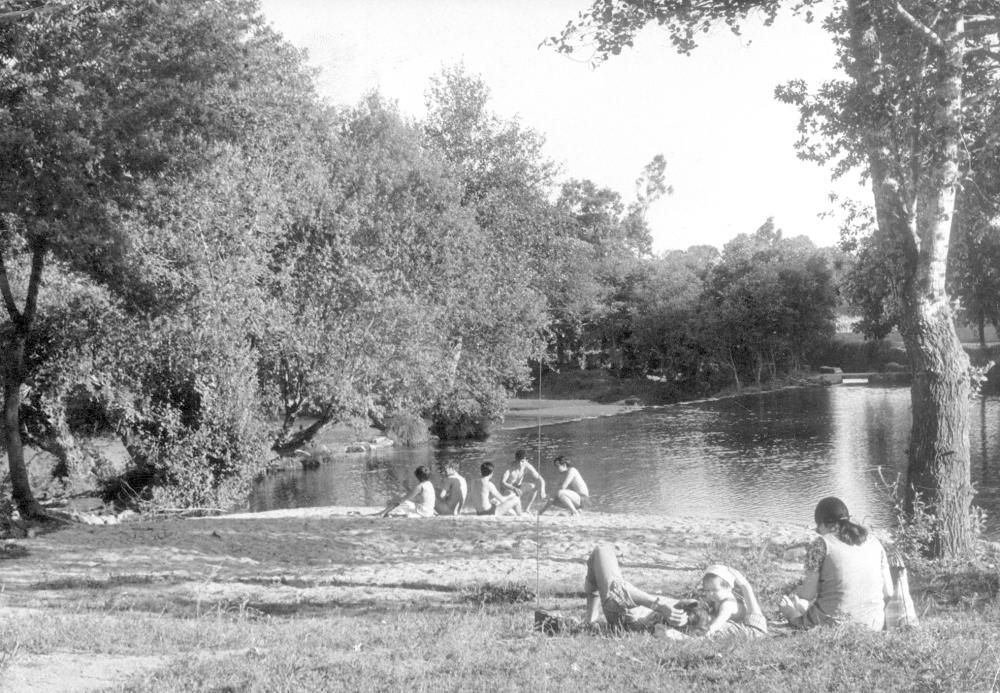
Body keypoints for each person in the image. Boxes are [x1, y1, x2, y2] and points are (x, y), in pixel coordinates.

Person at [582, 544, 768, 638]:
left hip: (630, 613)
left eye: (714, 591)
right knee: (599, 554)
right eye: (708, 591)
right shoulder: (720, 605)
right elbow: (757, 624)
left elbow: (759, 629)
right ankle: (590, 620)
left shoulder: (728, 620)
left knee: (602, 553)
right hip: (644, 608)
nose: (710, 595)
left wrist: (746, 586)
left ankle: (591, 619)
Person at [779, 496, 894, 630]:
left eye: (818, 528)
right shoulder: (874, 542)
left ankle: (794, 615)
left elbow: (807, 594)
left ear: (822, 524)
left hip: (834, 625)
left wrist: (795, 592)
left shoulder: (820, 545)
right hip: (874, 623)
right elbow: (889, 592)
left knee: (791, 609)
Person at [501, 448, 546, 513]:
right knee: (515, 509)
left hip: (519, 487)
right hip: (507, 489)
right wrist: (514, 488)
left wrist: (542, 490)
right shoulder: (509, 466)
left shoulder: (527, 466)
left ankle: (527, 509)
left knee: (534, 487)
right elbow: (503, 482)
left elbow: (540, 479)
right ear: (515, 459)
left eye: (522, 461)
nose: (520, 464)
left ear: (526, 460)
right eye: (518, 461)